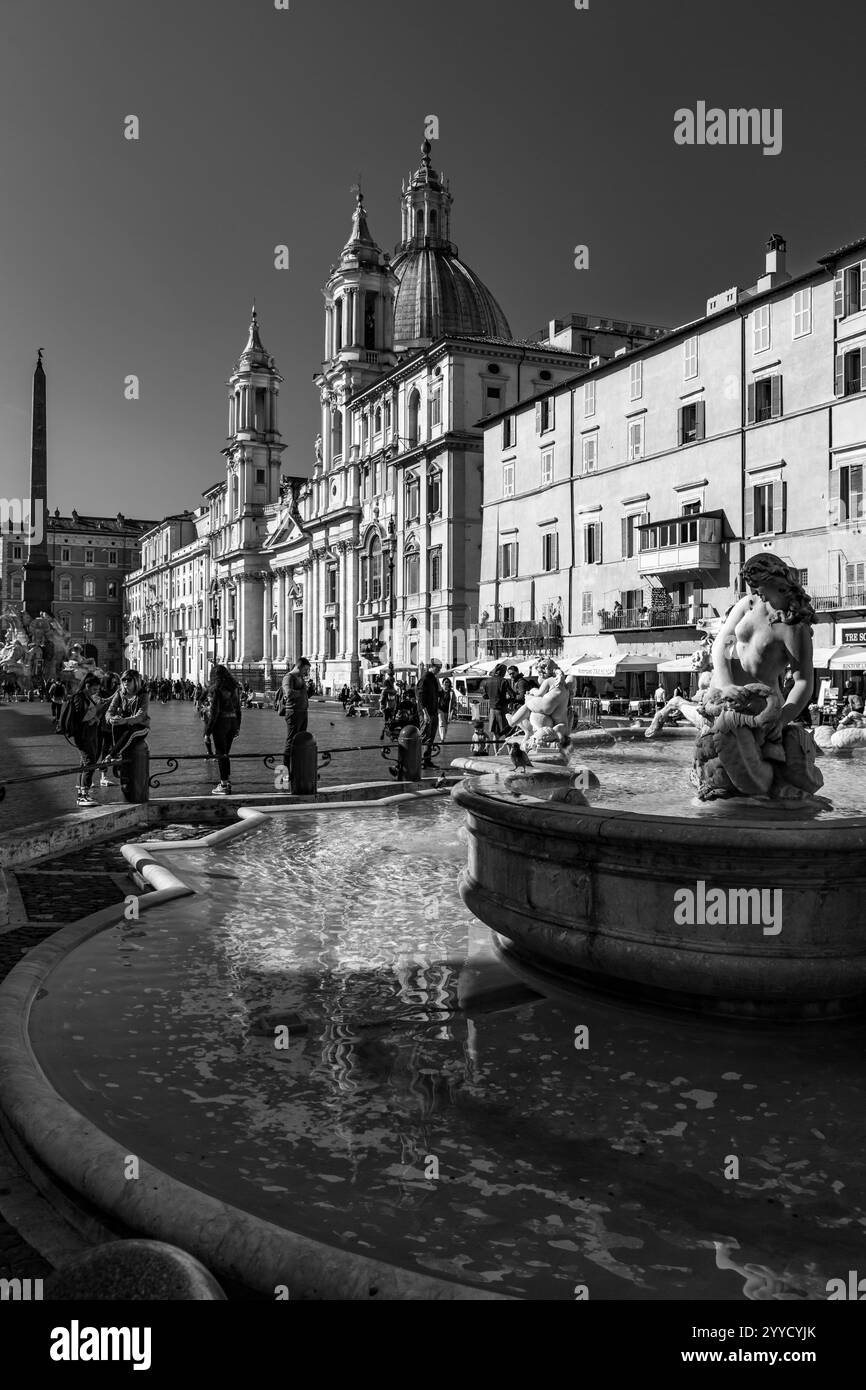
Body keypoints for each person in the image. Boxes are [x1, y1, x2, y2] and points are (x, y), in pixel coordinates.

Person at [68, 673, 107, 807]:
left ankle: (81, 791)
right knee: (90, 762)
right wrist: (96, 710)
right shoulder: (79, 698)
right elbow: (80, 717)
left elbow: (89, 716)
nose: (96, 692)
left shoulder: (87, 697)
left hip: (89, 734)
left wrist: (96, 714)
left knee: (85, 763)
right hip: (83, 735)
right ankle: (83, 795)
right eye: (94, 689)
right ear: (87, 686)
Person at [203, 665, 241, 796]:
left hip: (221, 723)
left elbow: (215, 712)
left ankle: (224, 784)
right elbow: (238, 708)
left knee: (221, 753)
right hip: (232, 722)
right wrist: (237, 726)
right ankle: (227, 781)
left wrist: (207, 732)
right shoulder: (234, 688)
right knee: (226, 754)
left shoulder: (216, 689)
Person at [281, 656, 310, 781]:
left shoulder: (300, 678)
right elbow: (288, 693)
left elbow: (303, 695)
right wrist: (301, 693)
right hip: (293, 712)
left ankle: (297, 768)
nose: (306, 672)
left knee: (301, 741)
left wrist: (308, 691)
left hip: (303, 712)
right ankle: (285, 772)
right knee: (291, 741)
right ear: (299, 666)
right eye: (306, 669)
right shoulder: (289, 677)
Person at [417, 659, 442, 768]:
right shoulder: (425, 679)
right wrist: (425, 713)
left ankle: (427, 760)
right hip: (426, 713)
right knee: (424, 736)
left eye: (440, 669)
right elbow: (420, 698)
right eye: (437, 668)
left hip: (434, 711)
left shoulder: (433, 679)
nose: (439, 671)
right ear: (431, 667)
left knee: (431, 737)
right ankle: (420, 760)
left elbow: (439, 693)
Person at [483, 663, 510, 752]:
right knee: (507, 732)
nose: (505, 673)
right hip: (502, 709)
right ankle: (510, 752)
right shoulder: (504, 681)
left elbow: (484, 696)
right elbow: (512, 695)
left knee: (495, 733)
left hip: (492, 710)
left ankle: (496, 753)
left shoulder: (487, 681)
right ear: (501, 671)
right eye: (504, 671)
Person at [437, 676, 457, 745]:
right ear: (442, 683)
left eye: (447, 682)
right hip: (440, 709)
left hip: (448, 710)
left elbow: (454, 701)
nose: (446, 683)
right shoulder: (440, 691)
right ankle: (442, 739)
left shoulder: (451, 692)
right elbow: (437, 699)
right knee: (441, 723)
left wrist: (453, 710)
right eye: (445, 682)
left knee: (446, 725)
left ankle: (443, 738)